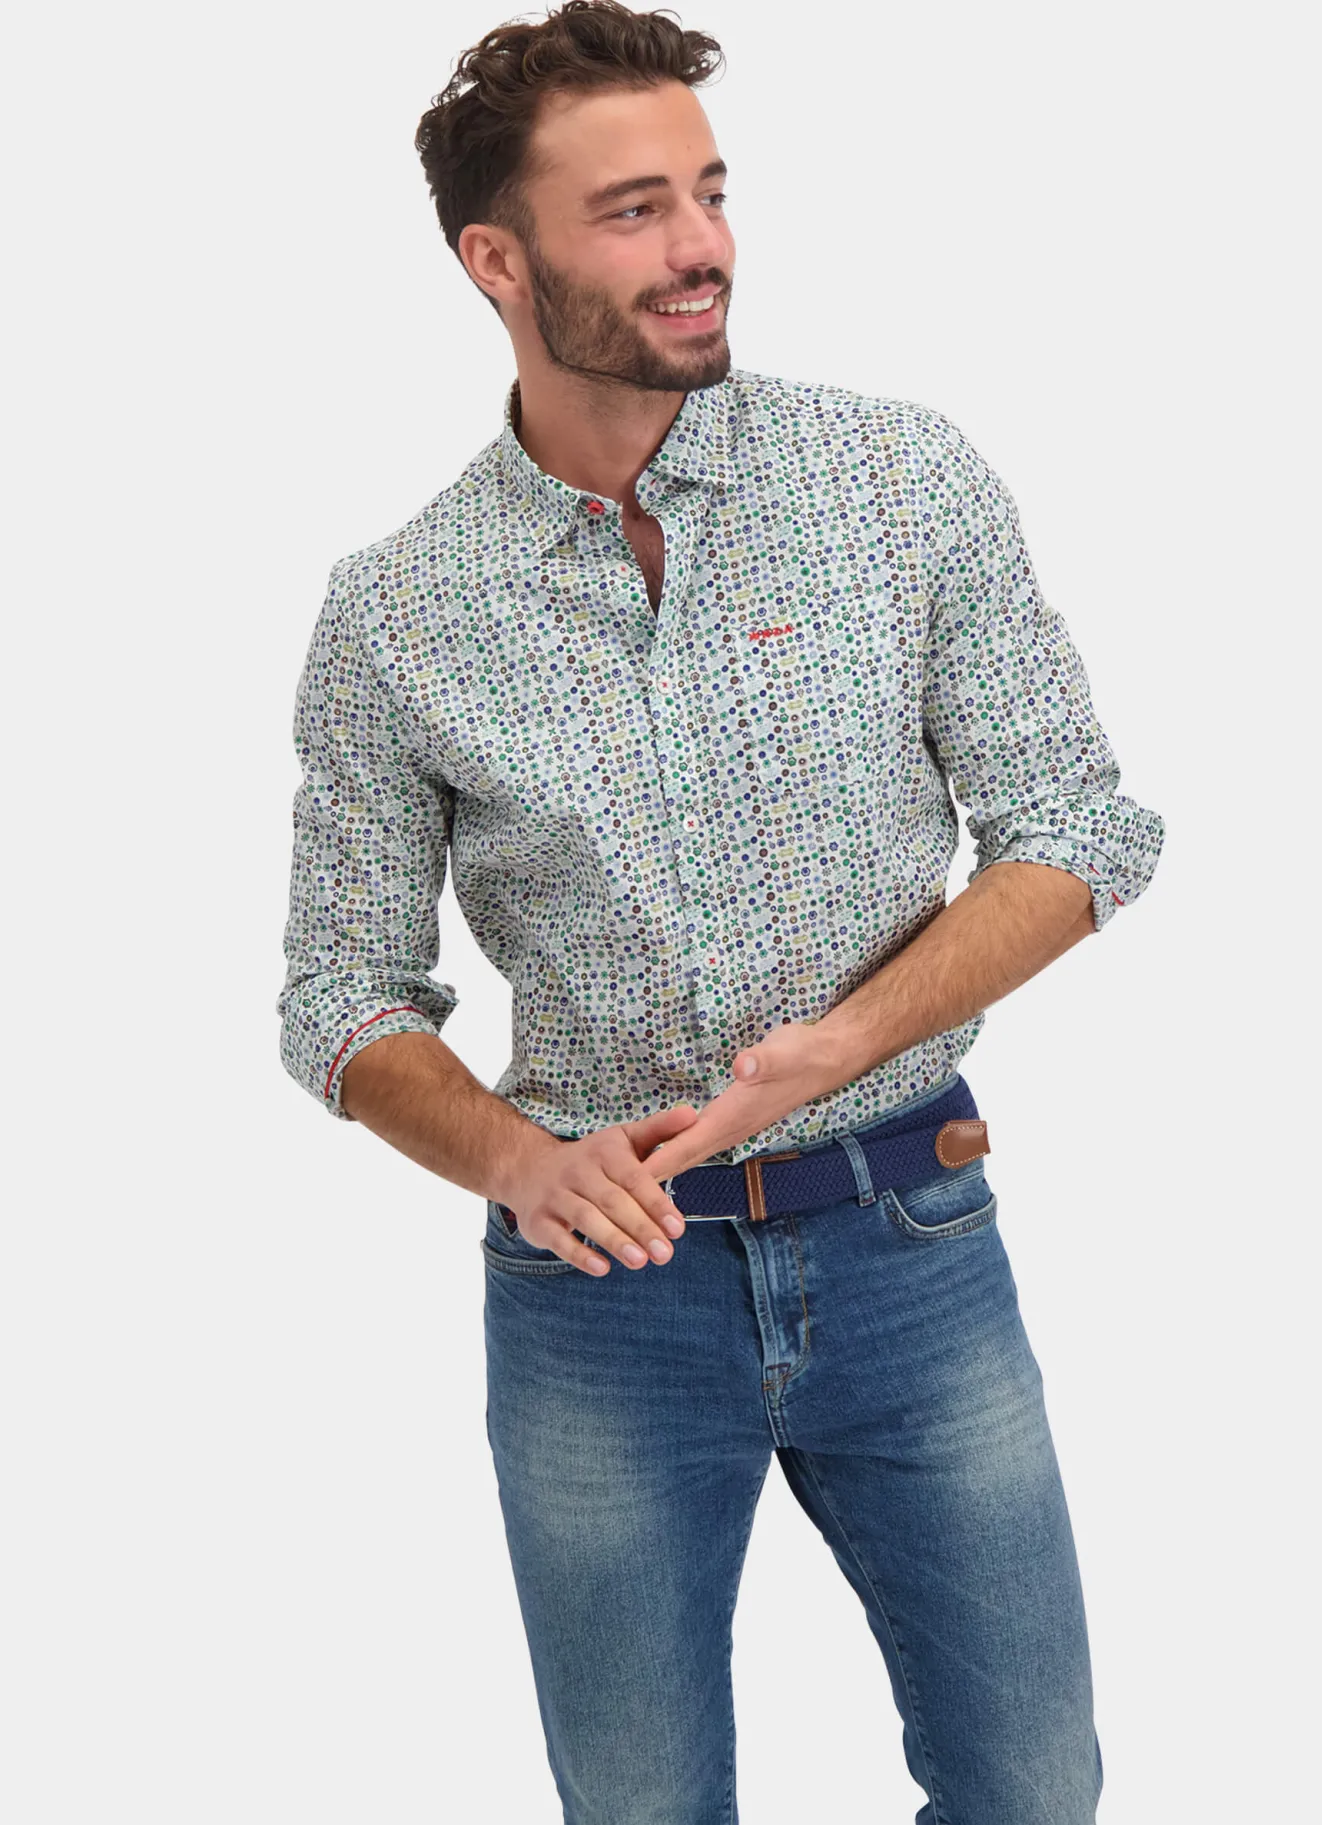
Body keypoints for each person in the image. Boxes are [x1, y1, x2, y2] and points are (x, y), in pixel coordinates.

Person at [276, 4, 1165, 1818]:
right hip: (602, 1299)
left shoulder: (899, 480)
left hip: (910, 1234)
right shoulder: (395, 614)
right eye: (633, 211)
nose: (701, 248)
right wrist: (521, 1163)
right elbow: (340, 1000)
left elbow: (1081, 833)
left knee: (1033, 1786)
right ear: (496, 261)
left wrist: (839, 1044)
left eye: (709, 191)